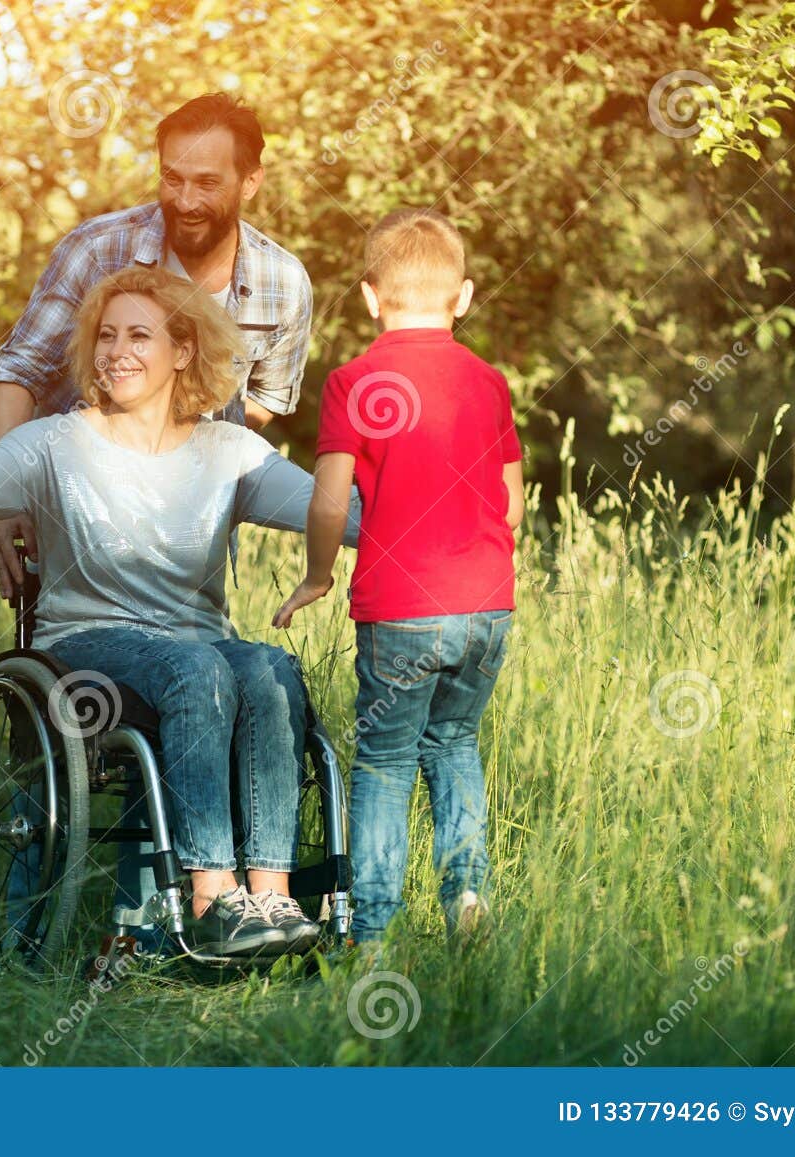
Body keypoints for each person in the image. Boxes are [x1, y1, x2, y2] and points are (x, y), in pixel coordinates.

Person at [0, 266, 356, 958]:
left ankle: (272, 892)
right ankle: (212, 894)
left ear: (184, 350)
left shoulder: (229, 451)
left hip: (192, 647)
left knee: (268, 666)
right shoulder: (55, 443)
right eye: (106, 336)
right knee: (199, 666)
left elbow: (339, 512)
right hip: (83, 649)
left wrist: (445, 507)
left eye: (139, 335)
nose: (117, 351)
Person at [273, 208, 524, 944]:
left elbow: (327, 497)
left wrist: (318, 575)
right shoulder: (489, 382)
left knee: (383, 759)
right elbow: (510, 505)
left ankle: (373, 928)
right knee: (454, 743)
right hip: (485, 606)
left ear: (370, 296)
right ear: (466, 295)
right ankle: (466, 893)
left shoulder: (356, 381)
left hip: (401, 606)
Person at [0, 91, 312, 598]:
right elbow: (20, 373)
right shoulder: (96, 250)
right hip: (75, 528)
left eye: (207, 183)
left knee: (213, 669)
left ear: (250, 182)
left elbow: (263, 402)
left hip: (189, 539)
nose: (185, 201)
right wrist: (2, 498)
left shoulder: (284, 283)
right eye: (172, 178)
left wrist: (183, 445)